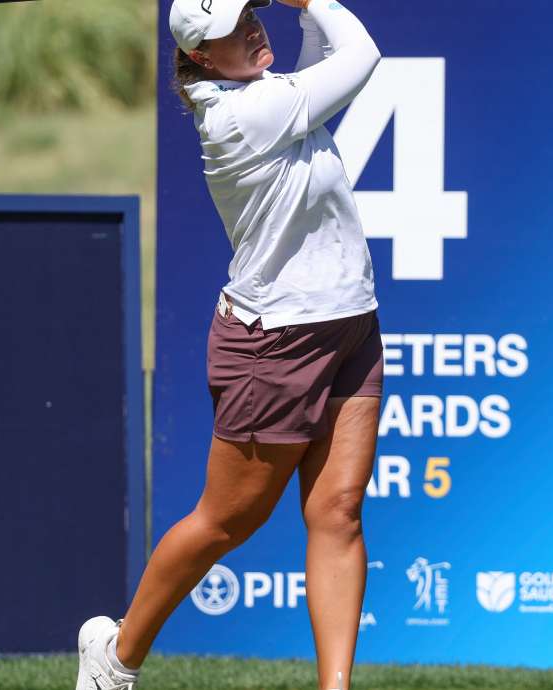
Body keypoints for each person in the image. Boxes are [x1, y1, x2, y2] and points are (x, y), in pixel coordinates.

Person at [74, 1, 383, 689]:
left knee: (339, 511)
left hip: (350, 323)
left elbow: (313, 55)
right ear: (202, 58)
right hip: (276, 343)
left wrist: (298, 13)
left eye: (251, 13)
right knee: (225, 523)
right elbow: (361, 58)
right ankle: (116, 658)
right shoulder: (242, 116)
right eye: (231, 31)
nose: (252, 28)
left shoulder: (260, 89)